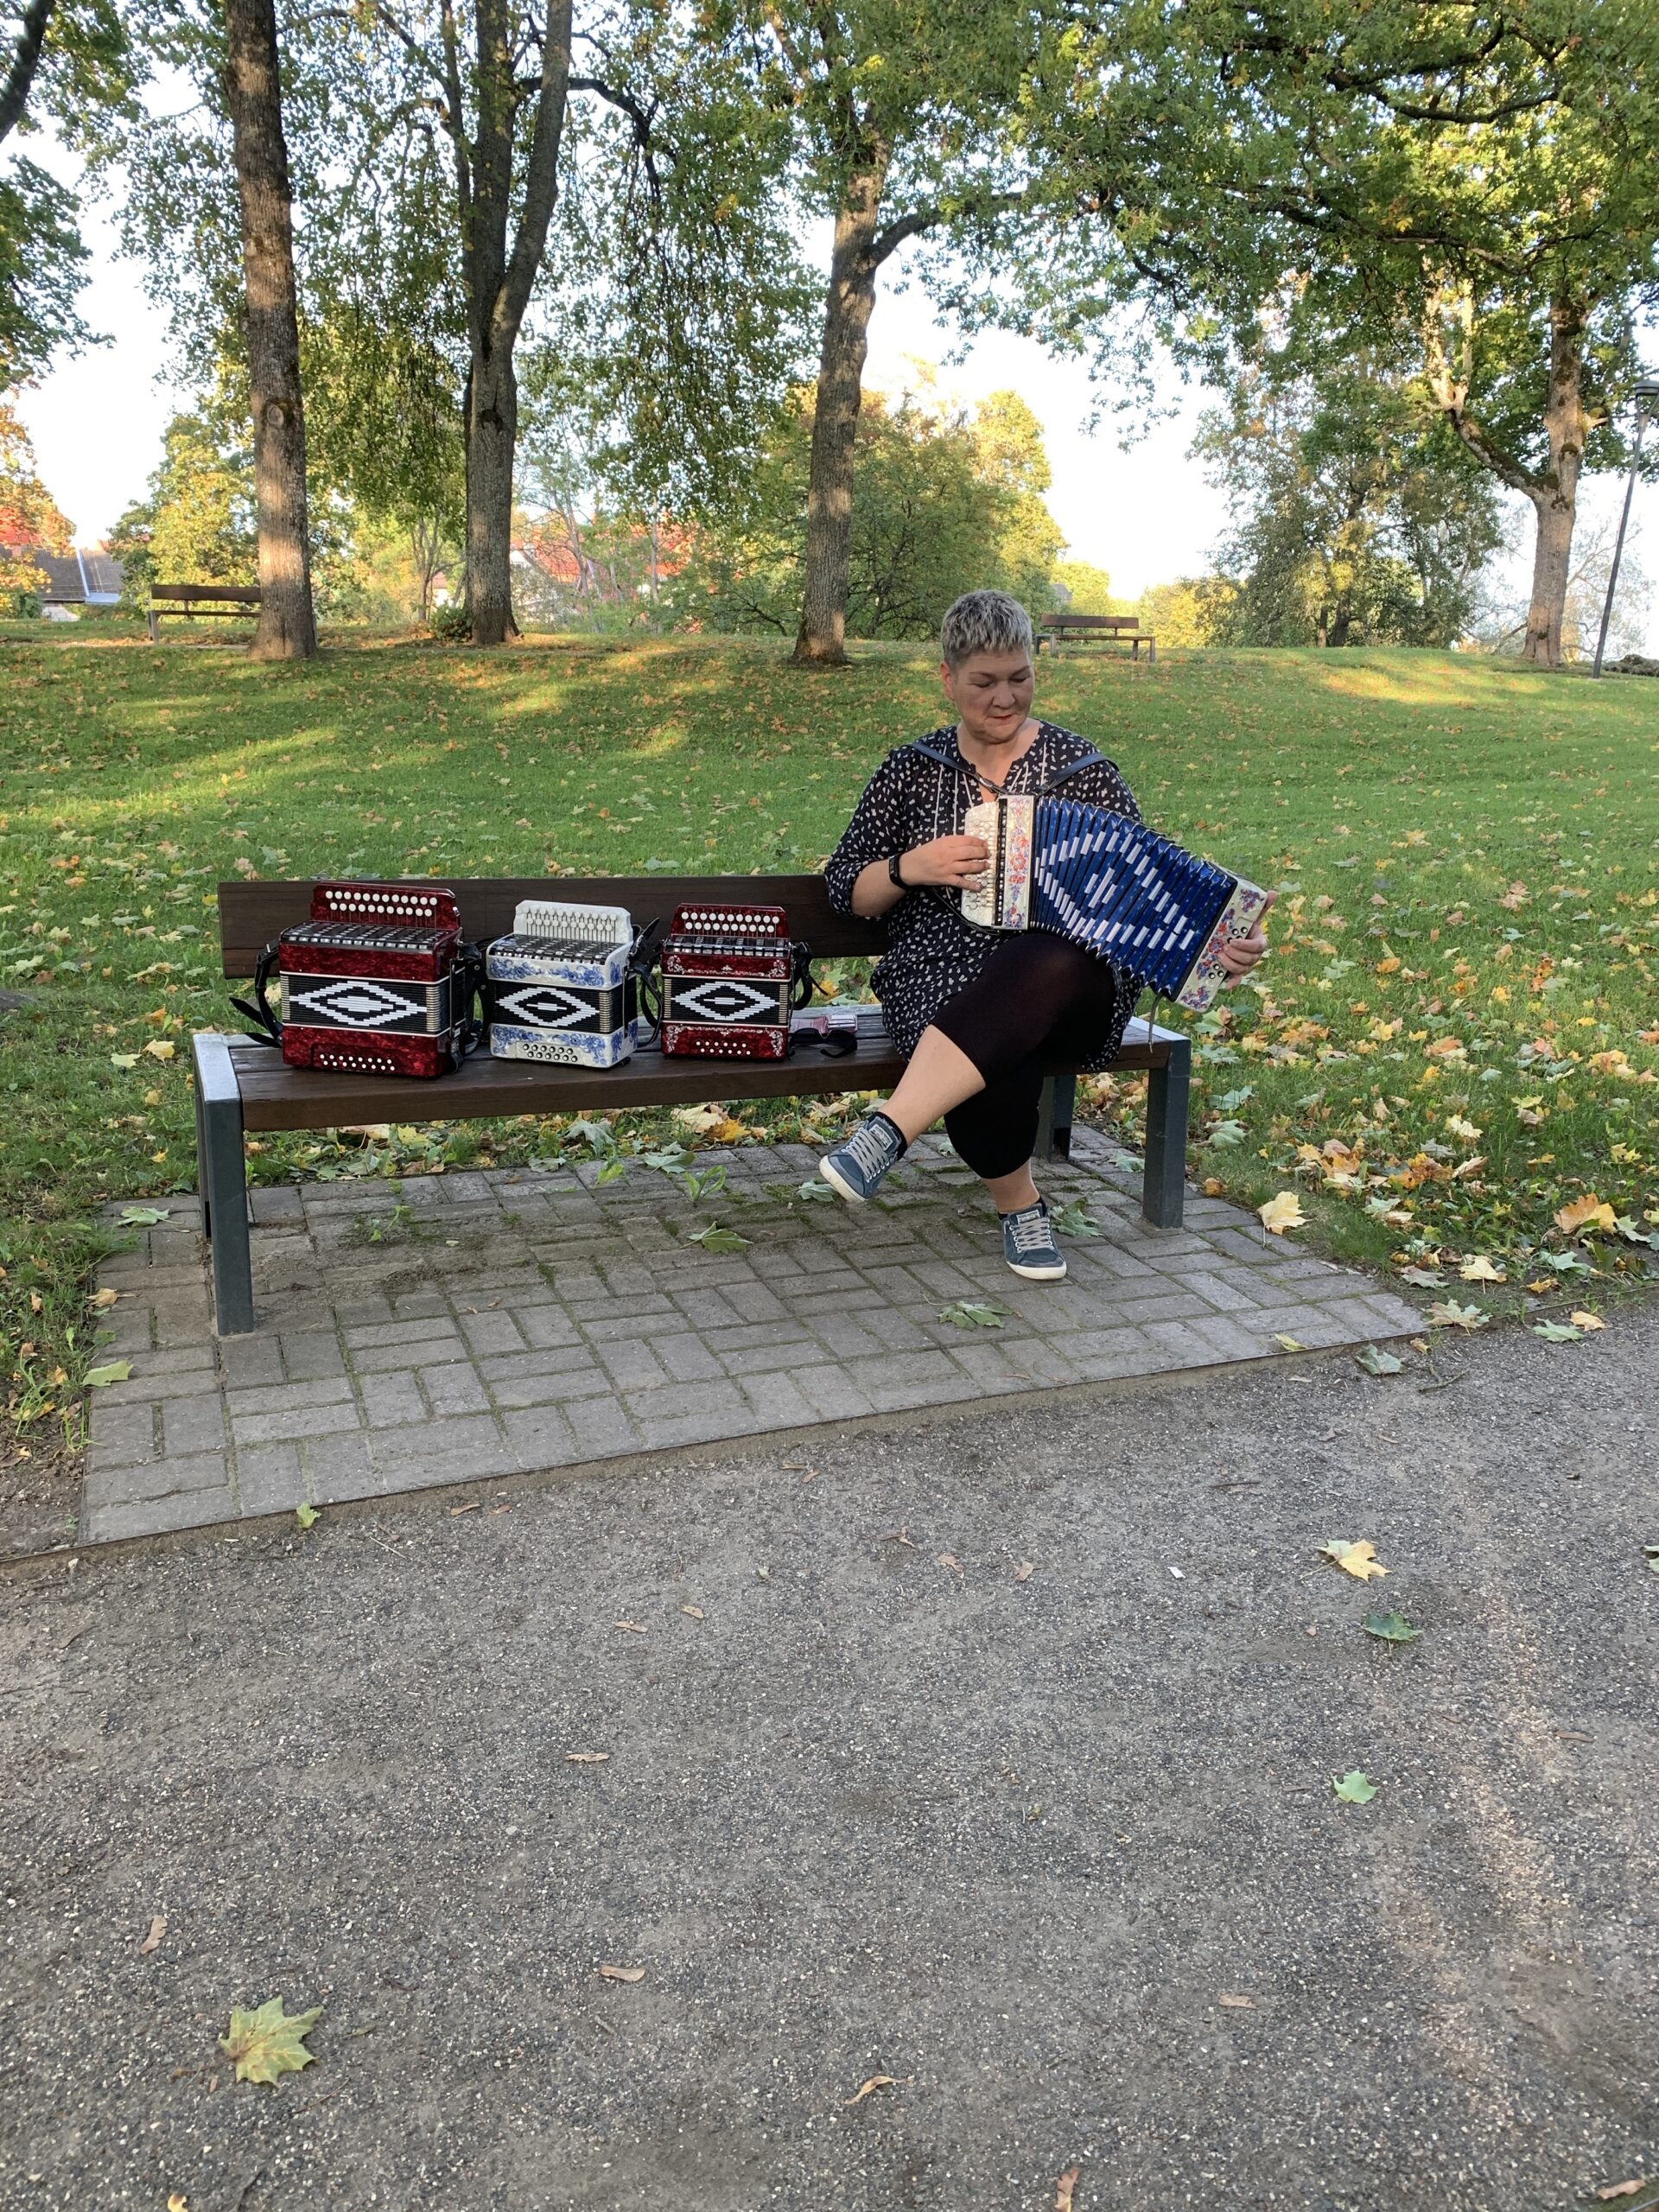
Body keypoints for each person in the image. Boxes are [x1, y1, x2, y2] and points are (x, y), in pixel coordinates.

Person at [817, 588, 1270, 1281]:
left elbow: (1149, 889)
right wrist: (912, 867)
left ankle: (889, 1130)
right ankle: (1021, 1205)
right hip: (939, 977)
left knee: (1047, 958)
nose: (1005, 698)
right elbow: (845, 891)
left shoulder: (1081, 772)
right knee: (989, 1048)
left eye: (1020, 678)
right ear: (947, 679)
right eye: (984, 682)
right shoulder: (910, 771)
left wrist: (1225, 948)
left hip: (1071, 992)